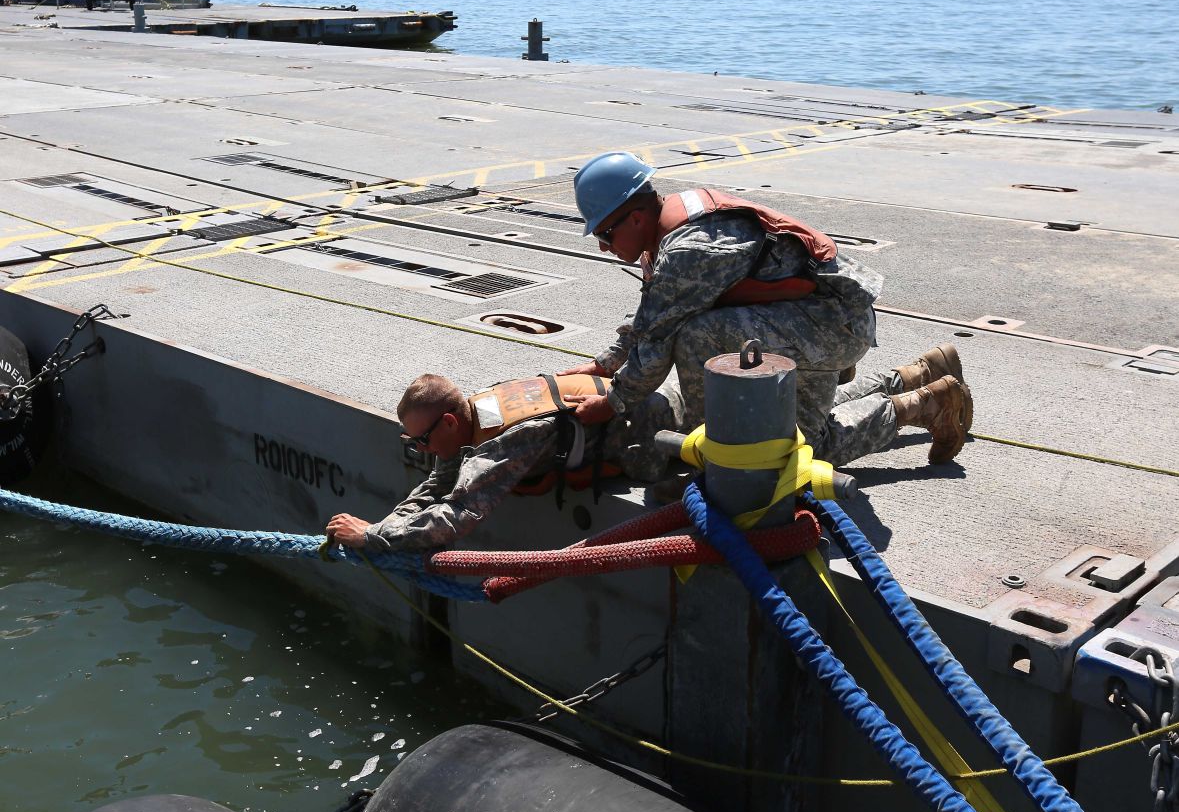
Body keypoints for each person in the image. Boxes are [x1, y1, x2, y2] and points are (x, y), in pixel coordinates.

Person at [559, 151, 972, 470]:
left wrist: (613, 403)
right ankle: (919, 375)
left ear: (634, 218)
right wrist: (603, 365)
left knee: (787, 455)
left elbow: (656, 346)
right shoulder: (669, 226)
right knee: (790, 422)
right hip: (808, 320)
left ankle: (716, 451)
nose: (602, 246)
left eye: (605, 233)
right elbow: (655, 315)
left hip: (829, 327)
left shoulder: (688, 251)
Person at [325, 371, 681, 552]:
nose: (421, 450)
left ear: (449, 422)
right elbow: (439, 484)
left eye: (422, 440)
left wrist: (373, 537)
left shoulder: (505, 440)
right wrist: (388, 523)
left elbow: (456, 517)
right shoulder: (474, 415)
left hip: (660, 431)